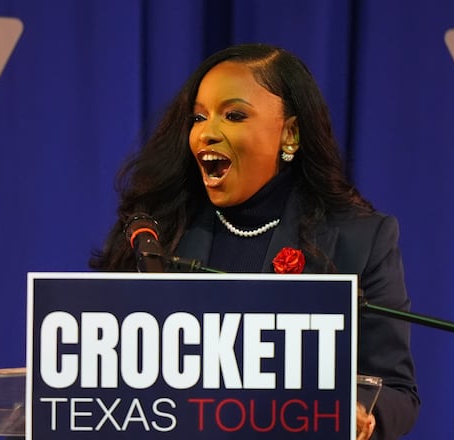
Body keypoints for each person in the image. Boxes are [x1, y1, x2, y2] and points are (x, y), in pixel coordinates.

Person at [90, 43, 419, 440]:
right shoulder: (156, 235)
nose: (206, 133)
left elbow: (397, 391)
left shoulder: (358, 238)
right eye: (198, 116)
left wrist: (364, 415)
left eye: (234, 115)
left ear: (290, 133)